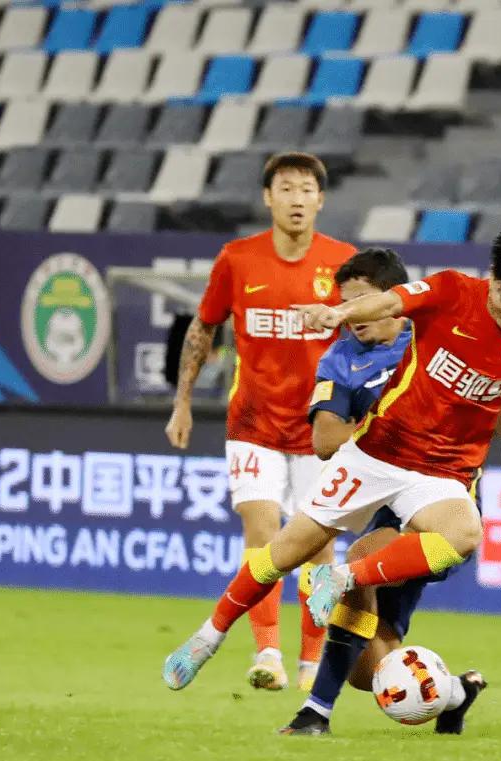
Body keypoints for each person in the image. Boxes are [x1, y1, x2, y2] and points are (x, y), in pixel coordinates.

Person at [162, 217, 501, 694]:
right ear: (492, 275)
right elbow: (389, 301)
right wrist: (338, 314)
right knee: (281, 555)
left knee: (466, 533)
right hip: (377, 452)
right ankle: (206, 638)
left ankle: (339, 579)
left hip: (441, 473)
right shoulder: (452, 291)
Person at [277, 248, 501, 736]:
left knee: (359, 562)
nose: (352, 314)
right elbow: (324, 441)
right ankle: (457, 694)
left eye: (362, 301)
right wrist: (382, 429)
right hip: (393, 498)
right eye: (345, 304)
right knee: (373, 671)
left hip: (444, 502)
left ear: (393, 299)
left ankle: (314, 713)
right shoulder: (343, 359)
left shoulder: (441, 334)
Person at [164, 152, 356, 691]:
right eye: (286, 189)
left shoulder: (343, 264)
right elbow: (203, 329)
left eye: (306, 190)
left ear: (321, 200)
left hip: (321, 428)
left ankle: (311, 662)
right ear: (268, 198)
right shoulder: (237, 259)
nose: (297, 199)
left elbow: (370, 333)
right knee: (263, 529)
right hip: (253, 423)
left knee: (318, 544)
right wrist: (182, 402)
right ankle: (268, 653)